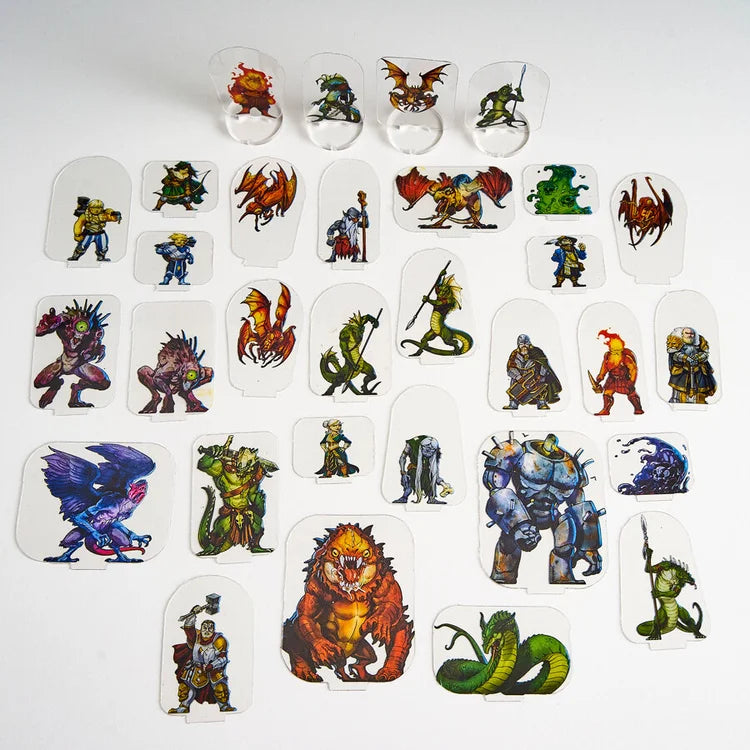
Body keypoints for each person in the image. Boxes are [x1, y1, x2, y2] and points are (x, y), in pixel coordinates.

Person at [169, 606, 235, 714]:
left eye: (210, 628)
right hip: (196, 668)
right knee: (185, 687)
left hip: (213, 669)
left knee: (220, 688)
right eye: (205, 628)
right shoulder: (197, 636)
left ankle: (224, 706)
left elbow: (223, 658)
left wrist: (212, 665)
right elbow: (188, 627)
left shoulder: (219, 640)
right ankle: (184, 706)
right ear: (201, 628)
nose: (207, 631)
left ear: (213, 630)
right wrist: (193, 613)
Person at [503, 334, 562, 410]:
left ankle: (541, 402)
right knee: (514, 385)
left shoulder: (537, 352)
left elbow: (544, 364)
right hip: (520, 377)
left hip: (535, 376)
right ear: (518, 344)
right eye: (521, 344)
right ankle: (513, 403)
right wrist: (518, 376)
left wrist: (541, 375)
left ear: (529, 343)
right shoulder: (514, 354)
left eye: (526, 344)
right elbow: (511, 367)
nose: (524, 346)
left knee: (540, 385)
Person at [592, 330, 643, 415]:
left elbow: (633, 369)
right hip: (612, 379)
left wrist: (631, 381)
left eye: (617, 351)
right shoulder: (608, 356)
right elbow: (604, 367)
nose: (615, 353)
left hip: (623, 379)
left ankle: (638, 409)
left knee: (631, 394)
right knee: (607, 393)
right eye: (613, 351)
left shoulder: (626, 358)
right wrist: (601, 376)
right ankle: (606, 410)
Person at [393, 435, 453, 504]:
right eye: (427, 450)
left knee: (430, 480)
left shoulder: (435, 450)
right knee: (408, 481)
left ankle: (431, 498)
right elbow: (403, 457)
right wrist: (403, 471)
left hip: (426, 471)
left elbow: (435, 472)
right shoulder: (412, 444)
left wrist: (444, 484)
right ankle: (404, 497)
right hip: (414, 469)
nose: (429, 452)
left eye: (431, 451)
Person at [666, 327, 717, 404]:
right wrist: (686, 358)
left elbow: (705, 353)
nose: (690, 335)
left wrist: (698, 358)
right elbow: (674, 354)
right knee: (678, 389)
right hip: (681, 370)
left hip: (698, 370)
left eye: (691, 334)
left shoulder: (700, 340)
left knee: (700, 389)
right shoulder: (675, 340)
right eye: (687, 333)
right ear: (682, 334)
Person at [69, 197, 121, 261]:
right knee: (82, 246)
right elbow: (79, 224)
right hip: (88, 233)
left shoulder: (104, 215)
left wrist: (115, 216)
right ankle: (75, 256)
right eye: (94, 208)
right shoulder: (85, 215)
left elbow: (110, 217)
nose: (97, 210)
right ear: (90, 208)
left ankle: (101, 257)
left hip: (100, 233)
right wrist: (77, 234)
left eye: (99, 208)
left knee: (103, 247)